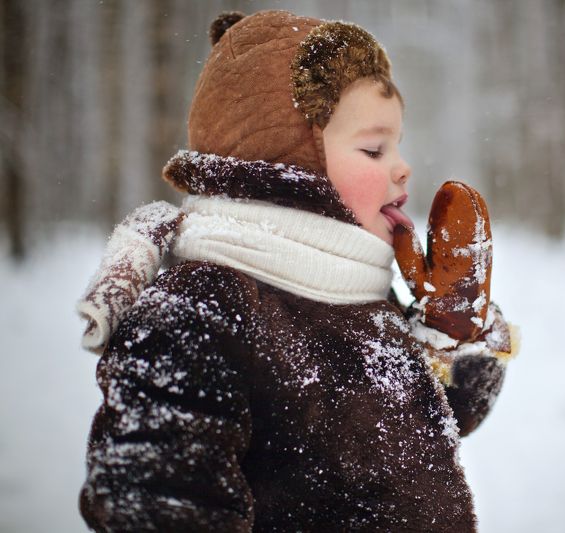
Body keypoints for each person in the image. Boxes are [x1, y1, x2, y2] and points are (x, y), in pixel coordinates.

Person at [77, 10, 519, 532]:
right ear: (287, 162)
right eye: (374, 148)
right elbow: (156, 501)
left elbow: (427, 427)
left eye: (397, 145)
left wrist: (454, 340)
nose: (402, 166)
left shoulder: (363, 300)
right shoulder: (201, 310)